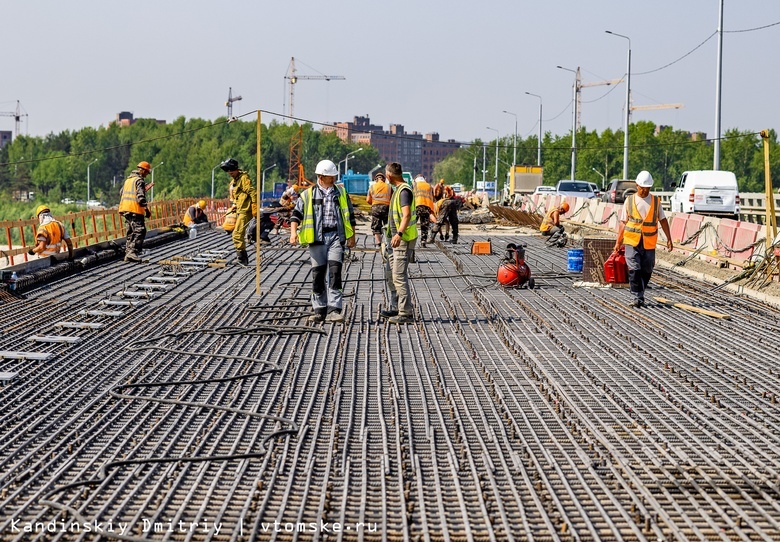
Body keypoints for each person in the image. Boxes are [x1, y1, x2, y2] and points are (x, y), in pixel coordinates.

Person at [289, 159, 356, 323]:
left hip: (335, 237)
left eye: (333, 176)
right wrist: (293, 232)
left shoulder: (340, 193)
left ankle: (334, 309)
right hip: (316, 239)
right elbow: (296, 215)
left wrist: (352, 235)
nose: (333, 179)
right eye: (329, 176)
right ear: (320, 176)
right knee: (318, 275)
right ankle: (319, 309)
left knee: (335, 273)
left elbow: (350, 216)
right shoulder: (308, 195)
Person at [613, 170, 673, 308]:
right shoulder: (629, 201)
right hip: (631, 241)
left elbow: (663, 220)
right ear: (637, 186)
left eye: (648, 188)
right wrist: (618, 242)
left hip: (649, 242)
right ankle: (637, 296)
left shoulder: (656, 202)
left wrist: (669, 238)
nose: (645, 191)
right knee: (634, 268)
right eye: (643, 188)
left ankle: (640, 292)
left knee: (647, 269)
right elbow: (623, 222)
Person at [381, 162, 418, 324]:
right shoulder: (399, 190)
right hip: (394, 240)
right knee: (392, 274)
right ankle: (397, 307)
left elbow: (407, 215)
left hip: (403, 239)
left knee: (399, 276)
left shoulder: (403, 191)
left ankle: (406, 313)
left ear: (389, 175)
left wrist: (399, 234)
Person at [220, 158, 257, 265]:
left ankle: (242, 259)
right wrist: (236, 205)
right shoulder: (236, 180)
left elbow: (252, 192)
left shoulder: (243, 178)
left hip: (246, 211)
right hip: (241, 209)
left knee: (237, 234)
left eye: (231, 170)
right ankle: (242, 258)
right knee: (237, 234)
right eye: (228, 171)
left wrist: (254, 205)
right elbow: (241, 196)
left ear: (236, 169)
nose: (230, 173)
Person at [118, 161, 153, 262]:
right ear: (141, 170)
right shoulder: (139, 181)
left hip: (126, 209)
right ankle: (132, 252)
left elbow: (121, 192)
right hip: (135, 210)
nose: (146, 174)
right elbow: (140, 198)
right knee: (140, 230)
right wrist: (146, 210)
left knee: (131, 232)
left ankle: (128, 254)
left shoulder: (128, 180)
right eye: (146, 172)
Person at [366, 171, 391, 246]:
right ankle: (388, 242)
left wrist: (374, 203)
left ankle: (379, 243)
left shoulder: (372, 187)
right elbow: (393, 198)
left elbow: (368, 200)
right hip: (386, 208)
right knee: (387, 225)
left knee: (376, 226)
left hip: (375, 208)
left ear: (376, 179)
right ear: (384, 179)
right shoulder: (389, 187)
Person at [412, 174, 434, 248]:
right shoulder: (429, 186)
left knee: (412, 224)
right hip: (426, 206)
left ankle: (410, 240)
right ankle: (423, 242)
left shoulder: (415, 185)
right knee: (424, 225)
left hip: (417, 206)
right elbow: (432, 197)